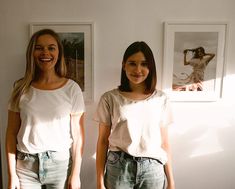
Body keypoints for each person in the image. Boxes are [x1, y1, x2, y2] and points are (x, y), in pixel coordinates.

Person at [5, 29, 85, 189]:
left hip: (60, 166)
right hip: (26, 167)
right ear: (32, 53)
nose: (45, 52)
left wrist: (75, 174)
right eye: (39, 47)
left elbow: (78, 135)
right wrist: (12, 175)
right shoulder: (20, 88)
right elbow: (11, 133)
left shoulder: (72, 88)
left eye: (51, 47)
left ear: (59, 52)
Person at [95, 41, 175, 189]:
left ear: (150, 67)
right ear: (124, 65)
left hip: (153, 169)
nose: (138, 69)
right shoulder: (110, 98)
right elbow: (102, 142)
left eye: (144, 64)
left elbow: (165, 143)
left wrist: (171, 181)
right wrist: (99, 181)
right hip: (118, 168)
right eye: (132, 63)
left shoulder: (161, 99)